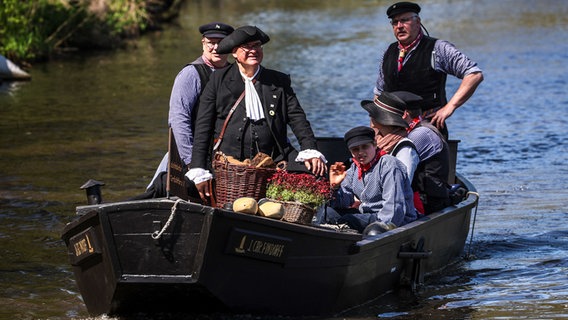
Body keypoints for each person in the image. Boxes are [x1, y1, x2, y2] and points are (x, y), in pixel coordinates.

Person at [187, 25, 327, 203]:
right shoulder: (218, 80)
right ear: (235, 53)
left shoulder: (278, 81)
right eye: (247, 47)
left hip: (275, 158)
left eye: (257, 45)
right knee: (193, 185)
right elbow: (203, 127)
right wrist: (199, 168)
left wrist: (310, 150)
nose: (253, 51)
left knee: (318, 174)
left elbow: (298, 118)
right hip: (230, 163)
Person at [141, 22, 234, 199]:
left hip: (222, 157)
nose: (215, 48)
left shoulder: (234, 74)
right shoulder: (191, 74)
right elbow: (178, 119)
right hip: (189, 155)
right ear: (203, 44)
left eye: (220, 43)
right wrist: (192, 162)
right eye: (210, 43)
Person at [374, 1, 483, 138]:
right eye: (395, 22)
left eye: (404, 20)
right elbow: (379, 94)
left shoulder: (438, 49)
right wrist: (375, 129)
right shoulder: (388, 52)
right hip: (392, 130)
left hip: (427, 129)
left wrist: (449, 108)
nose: (399, 26)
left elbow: (474, 74)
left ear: (418, 21)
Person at [314, 126, 417, 233]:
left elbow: (394, 208)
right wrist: (335, 186)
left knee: (349, 220)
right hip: (368, 215)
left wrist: (382, 228)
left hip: (395, 220)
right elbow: (343, 202)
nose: (360, 152)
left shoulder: (389, 165)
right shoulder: (354, 168)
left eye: (365, 147)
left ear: (375, 144)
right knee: (327, 213)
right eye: (355, 149)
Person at [390, 91, 451, 214]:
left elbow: (397, 167)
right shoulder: (414, 129)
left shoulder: (421, 133)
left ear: (404, 114)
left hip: (428, 205)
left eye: (390, 113)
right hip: (419, 200)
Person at [361, 92, 420, 184]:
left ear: (384, 119)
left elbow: (402, 185)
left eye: (373, 114)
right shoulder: (376, 142)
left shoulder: (405, 149)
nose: (370, 116)